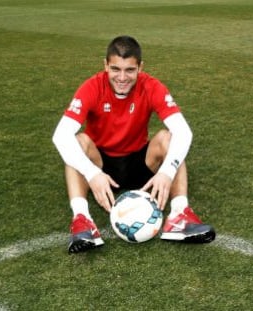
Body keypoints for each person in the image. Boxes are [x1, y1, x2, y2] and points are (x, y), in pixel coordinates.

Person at [52, 35, 215, 254]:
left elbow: (184, 131)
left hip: (140, 163)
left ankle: (179, 215)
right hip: (102, 166)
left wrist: (167, 172)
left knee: (168, 137)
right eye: (115, 69)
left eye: (129, 70)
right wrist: (92, 173)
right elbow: (60, 135)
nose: (122, 77)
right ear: (105, 66)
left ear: (140, 67)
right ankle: (83, 220)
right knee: (77, 141)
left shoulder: (151, 86)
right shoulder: (92, 87)